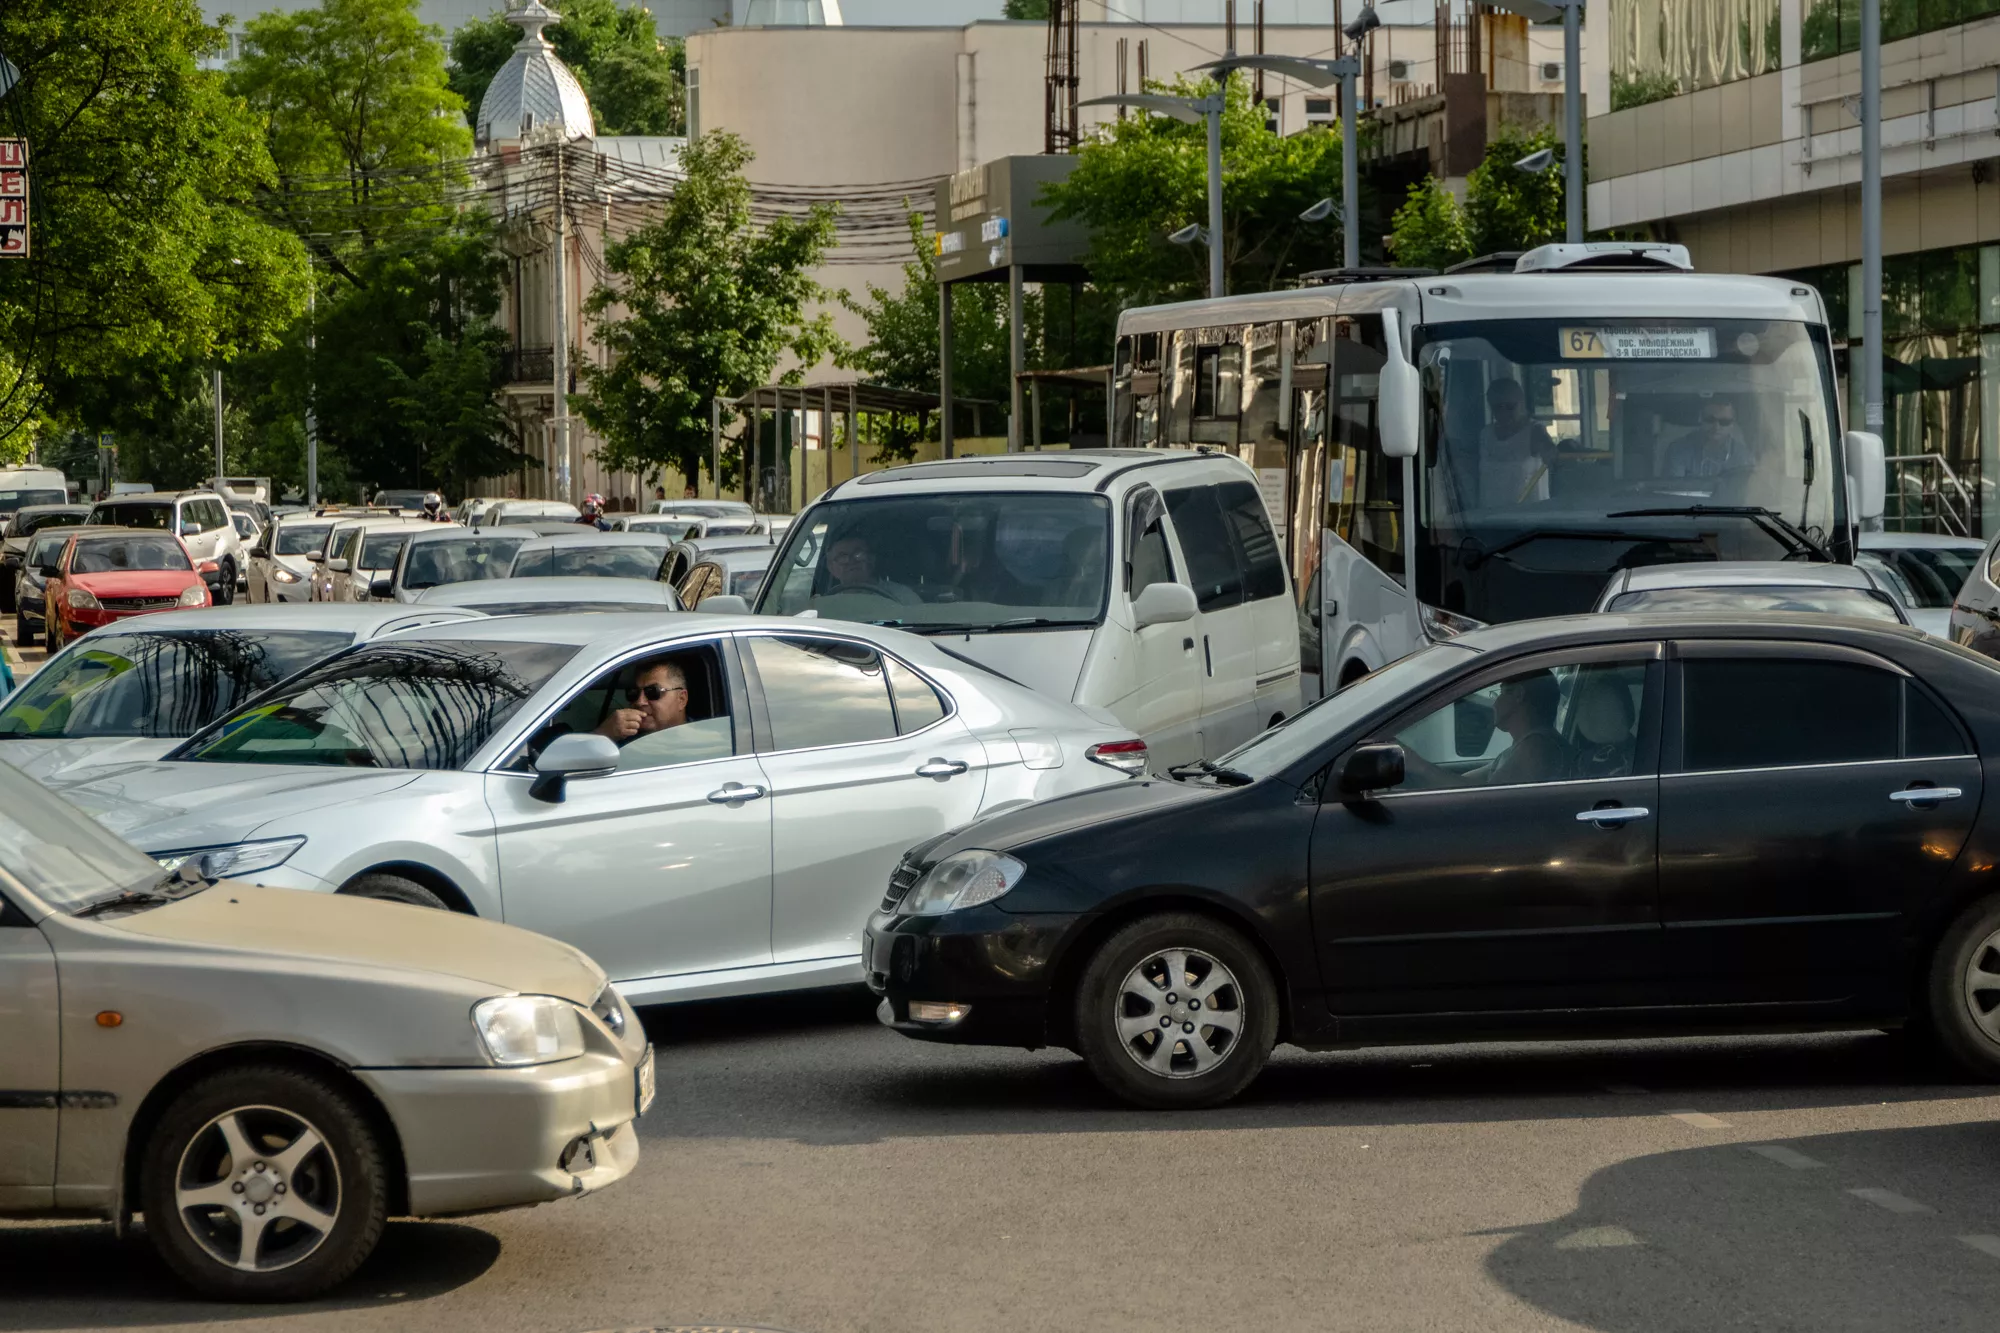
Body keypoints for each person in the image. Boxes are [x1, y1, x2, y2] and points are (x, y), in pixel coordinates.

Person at [1404, 670, 1567, 790]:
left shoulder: (1536, 748)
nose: (1494, 703)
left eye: (1500, 692)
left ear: (1518, 695)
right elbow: (1462, 784)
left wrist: (1418, 765)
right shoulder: (1522, 747)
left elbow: (1484, 800)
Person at [1478, 378, 1555, 507]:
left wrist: (1549, 449)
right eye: (1497, 407)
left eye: (1510, 407)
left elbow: (1548, 448)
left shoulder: (1535, 431)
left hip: (1529, 521)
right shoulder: (1486, 434)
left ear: (1522, 403)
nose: (1503, 413)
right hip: (1488, 521)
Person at [595, 660, 689, 743]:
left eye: (652, 692)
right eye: (633, 693)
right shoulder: (624, 742)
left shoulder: (700, 744)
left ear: (681, 700)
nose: (640, 702)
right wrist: (604, 734)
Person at [824, 533, 921, 603]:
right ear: (831, 567)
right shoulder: (826, 605)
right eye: (842, 557)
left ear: (871, 559)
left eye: (858, 554)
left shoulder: (903, 597)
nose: (851, 561)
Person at [1665, 399, 1752, 478]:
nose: (1716, 427)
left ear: (1732, 424)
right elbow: (1673, 489)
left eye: (1724, 422)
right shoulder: (1678, 449)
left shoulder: (1743, 456)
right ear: (1700, 419)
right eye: (1710, 420)